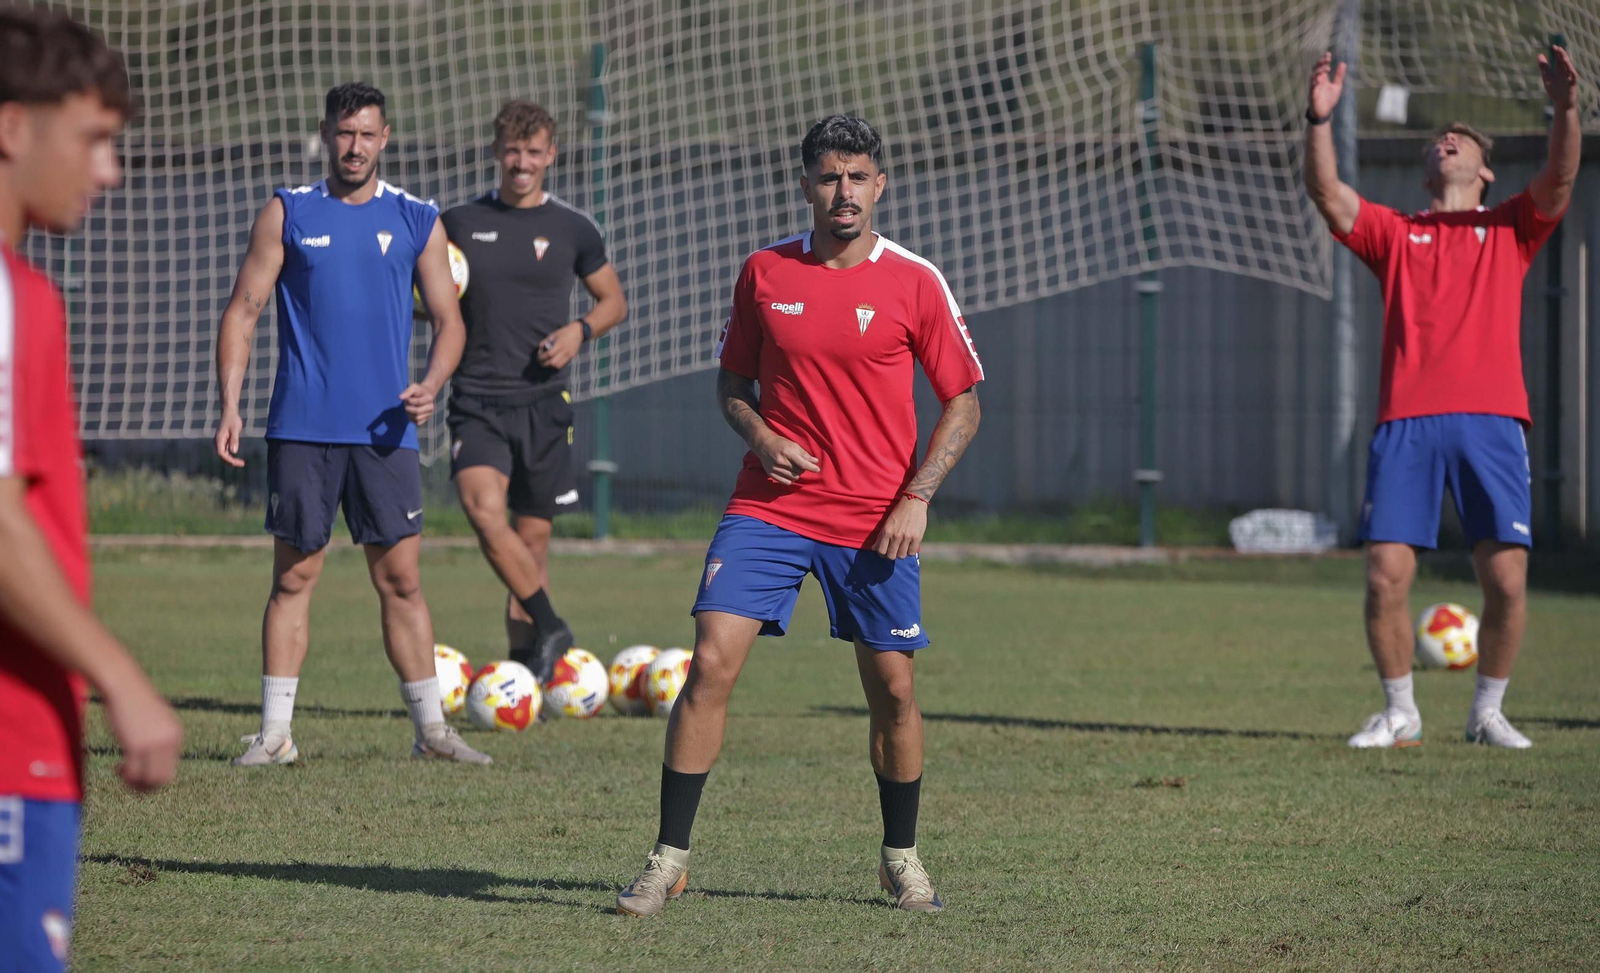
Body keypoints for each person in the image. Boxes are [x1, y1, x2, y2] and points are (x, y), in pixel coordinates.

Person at [615, 115, 984, 916]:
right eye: (828, 176)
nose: (843, 191)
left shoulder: (914, 279)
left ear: (879, 184)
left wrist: (916, 497)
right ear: (805, 183)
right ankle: (666, 858)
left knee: (892, 691)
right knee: (709, 661)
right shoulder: (765, 272)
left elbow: (963, 401)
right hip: (769, 507)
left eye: (857, 176)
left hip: (875, 519)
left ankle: (901, 857)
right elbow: (731, 388)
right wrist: (760, 433)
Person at [1303, 45, 1581, 749]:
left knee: (1508, 581)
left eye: (1459, 140)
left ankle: (1486, 712)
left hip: (1491, 422)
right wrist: (1318, 120)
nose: (1444, 141)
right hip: (1407, 423)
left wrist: (1567, 109)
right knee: (1384, 576)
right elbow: (1329, 195)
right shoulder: (1397, 234)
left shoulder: (1510, 227)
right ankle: (1400, 712)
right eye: (1436, 140)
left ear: (1484, 170)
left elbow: (1562, 174)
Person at [214, 82, 489, 766]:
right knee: (293, 577)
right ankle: (275, 735)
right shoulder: (289, 212)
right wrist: (229, 403)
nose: (355, 146)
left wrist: (430, 383)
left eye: (367, 134)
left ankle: (432, 732)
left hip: (386, 432)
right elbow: (244, 310)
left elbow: (451, 322)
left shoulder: (418, 217)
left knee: (401, 580)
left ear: (385, 138)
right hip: (302, 428)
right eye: (344, 133)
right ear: (326, 135)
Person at [0, 9, 184, 970]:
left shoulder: (28, 291)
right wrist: (121, 676)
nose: (109, 173)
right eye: (95, 140)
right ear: (12, 126)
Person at [441, 100, 627, 683]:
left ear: (551, 155)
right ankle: (552, 624)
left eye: (534, 150)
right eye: (513, 150)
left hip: (546, 405)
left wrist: (580, 330)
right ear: (497, 152)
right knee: (482, 511)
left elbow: (613, 301)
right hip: (477, 399)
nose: (522, 162)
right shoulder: (458, 223)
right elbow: (430, 298)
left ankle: (526, 677)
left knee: (532, 546)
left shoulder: (573, 228)